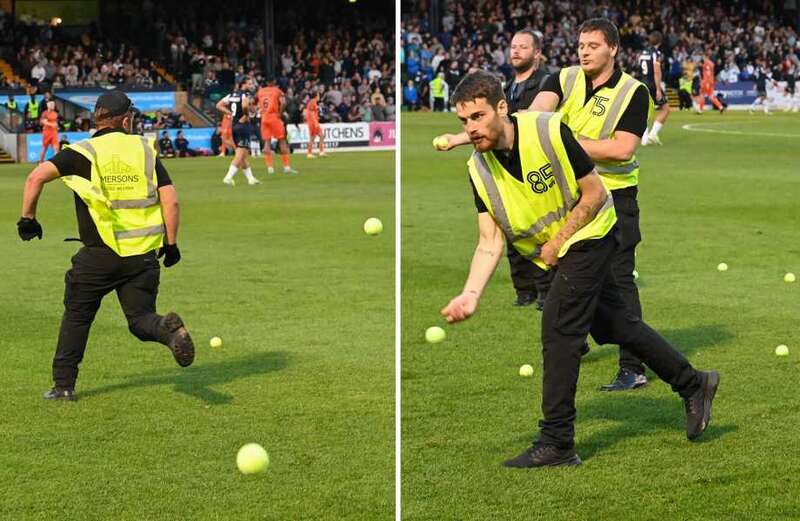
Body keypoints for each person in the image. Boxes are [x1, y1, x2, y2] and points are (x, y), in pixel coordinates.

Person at [441, 70, 719, 468]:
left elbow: (594, 192)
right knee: (615, 326)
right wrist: (470, 294)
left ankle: (557, 441)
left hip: (592, 232)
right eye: (463, 122)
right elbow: (489, 241)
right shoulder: (478, 167)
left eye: (478, 117)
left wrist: (558, 240)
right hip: (559, 251)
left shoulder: (548, 130)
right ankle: (694, 383)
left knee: (559, 329)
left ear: (502, 108)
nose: (471, 129)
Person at [17, 90, 195, 401]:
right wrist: (172, 243)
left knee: (77, 315)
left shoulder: (82, 151)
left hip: (99, 255)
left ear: (98, 119)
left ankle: (63, 387)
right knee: (140, 319)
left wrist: (28, 219)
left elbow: (35, 179)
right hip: (142, 256)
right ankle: (166, 329)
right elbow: (172, 200)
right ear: (126, 119)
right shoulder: (144, 148)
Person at [435, 29, 553, 309]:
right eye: (513, 46)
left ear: (537, 53)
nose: (515, 51)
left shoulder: (546, 83)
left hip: (536, 160)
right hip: (504, 161)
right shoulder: (508, 86)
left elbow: (522, 120)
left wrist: (459, 139)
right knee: (511, 229)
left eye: (523, 47)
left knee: (543, 228)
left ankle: (549, 294)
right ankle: (526, 291)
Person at [217, 79, 261, 186]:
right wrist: (246, 115)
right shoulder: (245, 95)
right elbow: (245, 106)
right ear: (243, 85)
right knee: (240, 154)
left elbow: (218, 105)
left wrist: (231, 113)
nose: (251, 85)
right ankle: (228, 177)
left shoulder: (231, 95)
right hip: (243, 126)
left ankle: (251, 179)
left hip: (234, 126)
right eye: (249, 83)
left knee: (243, 155)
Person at [256, 78, 298, 175]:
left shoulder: (260, 91)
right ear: (274, 83)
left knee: (267, 143)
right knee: (282, 141)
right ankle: (287, 168)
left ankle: (270, 168)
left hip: (264, 118)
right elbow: (283, 102)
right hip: (274, 117)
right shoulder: (277, 91)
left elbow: (258, 105)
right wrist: (280, 113)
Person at [639, 31, 670, 146]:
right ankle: (652, 134)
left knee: (645, 111)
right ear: (660, 42)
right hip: (652, 83)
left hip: (643, 82)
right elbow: (657, 71)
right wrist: (658, 88)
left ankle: (644, 138)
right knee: (666, 108)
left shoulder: (642, 53)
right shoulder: (656, 53)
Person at [305, 90, 326, 158]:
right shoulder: (313, 101)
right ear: (316, 96)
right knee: (312, 138)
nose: (319, 96)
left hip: (314, 121)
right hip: (313, 122)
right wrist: (315, 122)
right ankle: (309, 153)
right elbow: (311, 113)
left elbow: (313, 112)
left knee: (322, 136)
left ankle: (321, 152)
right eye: (318, 95)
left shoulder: (313, 102)